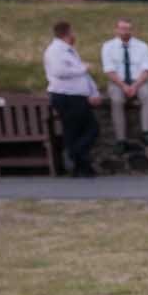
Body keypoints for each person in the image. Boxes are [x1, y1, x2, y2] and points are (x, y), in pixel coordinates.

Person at [43, 21, 102, 178]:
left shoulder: (69, 51)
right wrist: (83, 67)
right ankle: (75, 156)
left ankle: (79, 166)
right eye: (72, 32)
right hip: (66, 96)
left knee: (78, 131)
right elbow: (59, 71)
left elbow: (83, 77)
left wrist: (93, 92)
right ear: (66, 34)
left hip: (77, 96)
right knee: (88, 129)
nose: (74, 35)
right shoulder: (55, 51)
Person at [100, 18, 148, 146]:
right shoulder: (108, 47)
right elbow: (109, 70)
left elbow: (147, 69)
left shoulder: (142, 46)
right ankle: (121, 139)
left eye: (128, 29)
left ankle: (147, 132)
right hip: (117, 81)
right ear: (116, 30)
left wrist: (135, 85)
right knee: (116, 100)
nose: (125, 32)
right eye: (122, 29)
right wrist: (123, 85)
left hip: (139, 81)